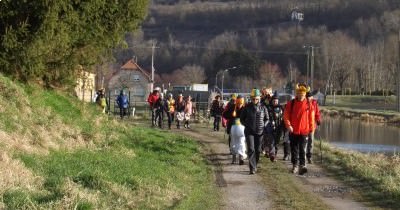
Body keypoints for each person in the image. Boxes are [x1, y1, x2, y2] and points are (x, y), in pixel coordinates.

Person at [283, 83, 314, 175]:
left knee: (302, 148)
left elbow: (311, 117)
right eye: (299, 94)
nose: (301, 96)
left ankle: (302, 166)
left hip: (304, 130)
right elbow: (286, 116)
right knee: (294, 149)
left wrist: (311, 128)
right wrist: (289, 126)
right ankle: (295, 165)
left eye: (303, 95)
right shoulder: (291, 103)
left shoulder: (309, 104)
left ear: (305, 94)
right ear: (296, 94)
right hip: (293, 130)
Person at [240, 89, 269, 175]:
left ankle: (255, 165)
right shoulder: (247, 107)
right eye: (253, 99)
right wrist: (247, 125)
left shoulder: (263, 107)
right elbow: (242, 119)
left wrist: (264, 125)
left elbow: (267, 119)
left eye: (256, 99)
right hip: (249, 132)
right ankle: (252, 168)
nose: (255, 100)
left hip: (260, 132)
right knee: (251, 149)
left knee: (257, 150)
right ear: (251, 98)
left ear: (259, 98)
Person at [266, 94, 287, 162]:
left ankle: (274, 153)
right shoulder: (268, 108)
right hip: (270, 127)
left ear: (278, 101)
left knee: (276, 142)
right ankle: (272, 155)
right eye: (274, 101)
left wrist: (284, 127)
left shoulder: (281, 108)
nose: (275, 102)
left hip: (279, 127)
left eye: (276, 101)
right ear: (272, 101)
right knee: (271, 141)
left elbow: (284, 117)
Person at [229, 95, 246, 165]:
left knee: (241, 142)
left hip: (242, 128)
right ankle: (234, 157)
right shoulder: (232, 107)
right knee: (233, 143)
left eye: (241, 103)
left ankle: (241, 157)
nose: (239, 105)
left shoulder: (245, 109)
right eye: (238, 103)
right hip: (233, 127)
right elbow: (225, 115)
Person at [306, 90, 321, 164]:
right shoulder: (303, 103)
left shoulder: (314, 103)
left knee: (311, 141)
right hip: (304, 125)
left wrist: (318, 120)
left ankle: (309, 156)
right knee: (304, 141)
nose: (309, 98)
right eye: (307, 97)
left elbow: (317, 113)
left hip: (312, 126)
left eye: (310, 97)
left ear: (312, 97)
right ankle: (302, 156)